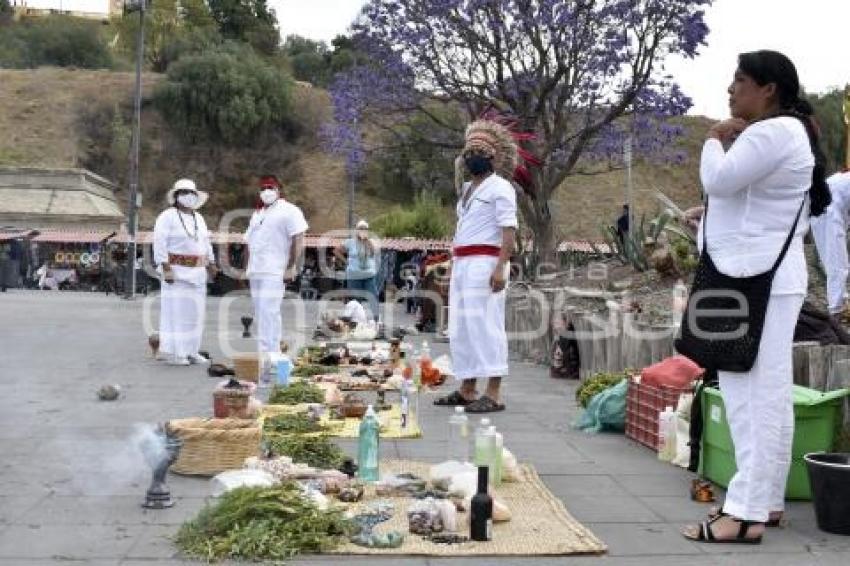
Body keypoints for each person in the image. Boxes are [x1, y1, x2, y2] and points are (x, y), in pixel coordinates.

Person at [681, 50, 832, 544]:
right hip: (762, 277)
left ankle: (744, 513)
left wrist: (712, 139)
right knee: (765, 393)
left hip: (753, 280)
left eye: (740, 80)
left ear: (768, 89)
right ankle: (764, 501)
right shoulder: (790, 133)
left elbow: (719, 180)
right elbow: (747, 201)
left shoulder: (775, 131)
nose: (730, 89)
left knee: (751, 394)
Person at [434, 119, 518, 413]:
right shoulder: (467, 189)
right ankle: (467, 389)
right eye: (468, 152)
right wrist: (452, 267)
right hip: (463, 263)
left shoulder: (502, 188)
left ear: (493, 156)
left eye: (479, 151)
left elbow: (509, 232)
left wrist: (500, 267)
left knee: (486, 325)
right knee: (462, 326)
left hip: (487, 262)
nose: (472, 157)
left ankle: (493, 393)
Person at [153, 178, 217, 366]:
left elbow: (205, 243)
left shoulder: (199, 218)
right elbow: (160, 242)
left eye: (191, 193)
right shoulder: (167, 216)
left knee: (195, 314)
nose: (187, 197)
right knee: (178, 314)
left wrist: (211, 263)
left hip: (197, 273)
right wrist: (165, 268)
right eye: (183, 193)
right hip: (176, 272)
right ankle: (178, 353)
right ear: (176, 196)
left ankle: (192, 350)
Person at [245, 175, 308, 362]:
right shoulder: (257, 213)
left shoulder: (290, 210)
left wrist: (291, 267)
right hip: (256, 270)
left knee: (269, 310)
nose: (267, 191)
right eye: (263, 188)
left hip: (275, 270)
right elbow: (249, 241)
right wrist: (246, 268)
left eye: (271, 188)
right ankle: (268, 350)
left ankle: (270, 352)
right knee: (261, 311)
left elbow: (299, 239)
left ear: (279, 190)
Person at [810, 171, 850, 318]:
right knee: (836, 260)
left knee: (838, 261)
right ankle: (837, 310)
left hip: (838, 201)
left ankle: (841, 304)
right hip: (827, 200)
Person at [334, 220, 379, 321]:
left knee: (373, 296)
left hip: (368, 275)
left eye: (364, 229)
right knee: (356, 299)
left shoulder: (371, 242)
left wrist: (366, 241)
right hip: (354, 275)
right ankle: (356, 321)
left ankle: (376, 320)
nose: (362, 231)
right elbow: (336, 251)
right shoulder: (350, 242)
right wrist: (346, 261)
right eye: (360, 229)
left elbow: (373, 253)